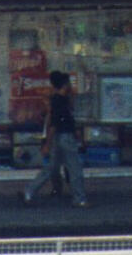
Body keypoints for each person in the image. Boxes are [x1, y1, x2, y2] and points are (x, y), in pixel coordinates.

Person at [23, 71, 87, 207]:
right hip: (65, 138)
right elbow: (54, 123)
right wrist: (47, 143)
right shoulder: (60, 102)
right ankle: (79, 199)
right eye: (69, 83)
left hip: (59, 139)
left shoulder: (57, 100)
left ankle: (29, 192)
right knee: (75, 169)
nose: (71, 86)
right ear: (65, 84)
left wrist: (49, 142)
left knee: (51, 168)